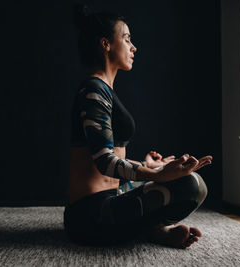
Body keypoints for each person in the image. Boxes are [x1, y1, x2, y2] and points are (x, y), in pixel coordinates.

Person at [64, 4, 213, 249]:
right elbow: (105, 162)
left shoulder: (104, 90)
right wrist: (156, 175)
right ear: (105, 44)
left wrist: (149, 166)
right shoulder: (94, 90)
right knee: (191, 185)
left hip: (111, 199)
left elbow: (107, 165)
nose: (134, 47)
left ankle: (151, 230)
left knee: (182, 177)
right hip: (90, 215)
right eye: (126, 39)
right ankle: (154, 230)